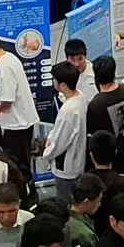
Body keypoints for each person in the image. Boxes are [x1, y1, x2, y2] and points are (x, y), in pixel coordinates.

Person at [0, 28, 37, 170]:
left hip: (16, 124)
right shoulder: (10, 57)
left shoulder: (3, 67)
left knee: (17, 165)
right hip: (25, 119)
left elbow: (7, 100)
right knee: (24, 160)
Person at [44, 59, 90, 206]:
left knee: (65, 203)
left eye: (55, 80)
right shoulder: (80, 96)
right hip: (78, 160)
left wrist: (47, 152)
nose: (53, 82)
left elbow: (60, 142)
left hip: (66, 166)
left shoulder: (68, 111)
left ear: (63, 85)